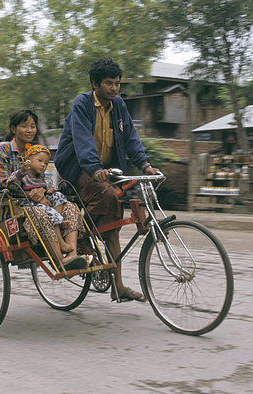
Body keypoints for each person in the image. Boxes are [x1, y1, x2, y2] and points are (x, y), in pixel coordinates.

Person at [55, 57, 159, 302]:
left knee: (113, 227)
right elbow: (83, 141)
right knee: (110, 199)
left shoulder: (119, 105)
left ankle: (118, 286)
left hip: (104, 171)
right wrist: (93, 168)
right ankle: (82, 236)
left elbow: (131, 137)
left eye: (117, 84)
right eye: (109, 83)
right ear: (95, 84)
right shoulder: (82, 104)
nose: (114, 88)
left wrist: (145, 165)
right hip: (76, 168)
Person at [0, 109, 87, 270]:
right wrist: (29, 194)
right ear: (13, 129)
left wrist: (43, 191)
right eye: (24, 126)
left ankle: (72, 255)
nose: (30, 130)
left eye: (33, 126)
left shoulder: (36, 150)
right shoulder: (3, 149)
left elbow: (42, 179)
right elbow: (1, 184)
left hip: (39, 200)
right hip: (11, 203)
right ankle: (59, 261)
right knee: (41, 214)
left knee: (71, 207)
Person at [6, 143, 86, 267]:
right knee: (43, 212)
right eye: (39, 161)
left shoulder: (44, 178)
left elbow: (50, 189)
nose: (43, 165)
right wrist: (22, 171)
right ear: (28, 160)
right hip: (29, 205)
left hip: (47, 206)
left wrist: (50, 191)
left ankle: (71, 252)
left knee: (63, 200)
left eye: (46, 163)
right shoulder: (22, 175)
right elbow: (11, 184)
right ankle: (60, 256)